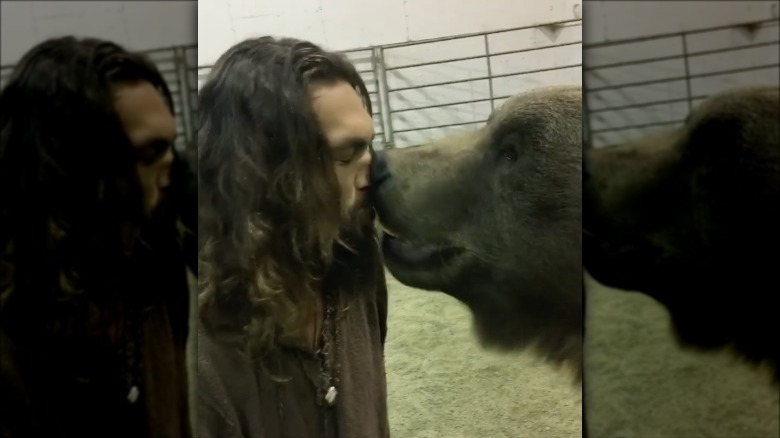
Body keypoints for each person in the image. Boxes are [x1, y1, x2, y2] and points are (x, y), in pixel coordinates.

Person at [0, 36, 197, 437]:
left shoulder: (154, 267)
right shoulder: (14, 327)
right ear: (72, 164)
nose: (170, 168)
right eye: (149, 153)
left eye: (170, 149)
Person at [197, 36, 390, 438]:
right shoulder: (203, 349)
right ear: (261, 170)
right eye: (345, 154)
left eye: (369, 147)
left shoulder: (354, 263)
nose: (372, 171)